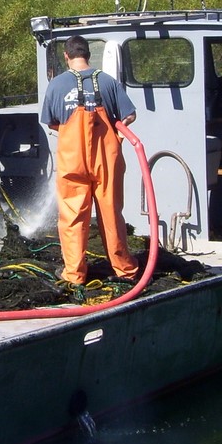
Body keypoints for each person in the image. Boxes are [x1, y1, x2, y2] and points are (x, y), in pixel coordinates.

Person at [40, 35, 140, 285]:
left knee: (73, 215)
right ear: (88, 55)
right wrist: (115, 132)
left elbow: (52, 121)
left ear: (66, 56)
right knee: (110, 212)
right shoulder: (108, 81)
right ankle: (124, 269)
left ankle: (74, 274)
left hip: (73, 160)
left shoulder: (56, 85)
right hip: (106, 160)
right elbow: (130, 115)